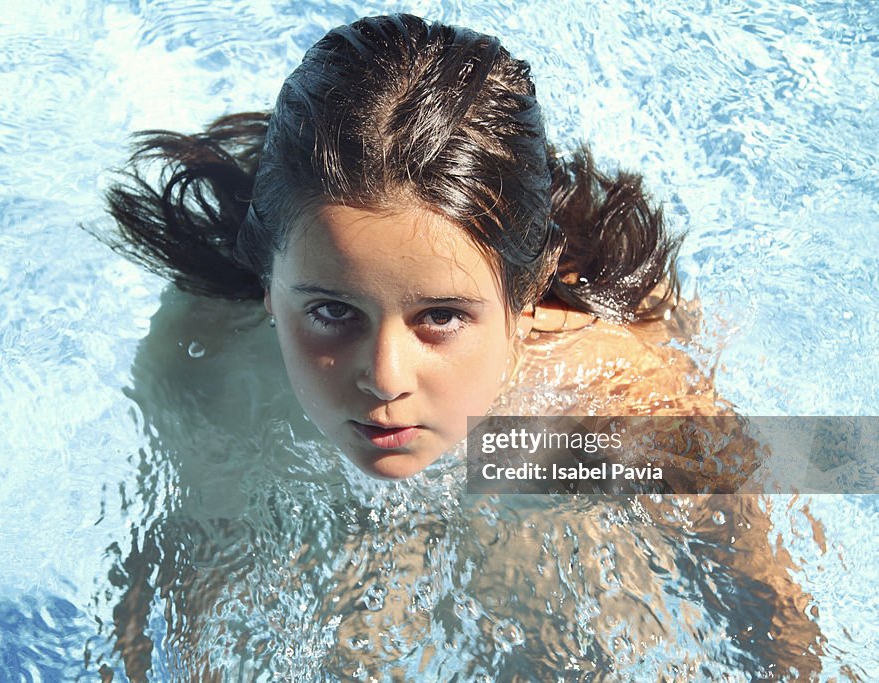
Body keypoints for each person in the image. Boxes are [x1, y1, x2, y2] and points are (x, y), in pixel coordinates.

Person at [92, 14, 823, 680]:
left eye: (439, 316)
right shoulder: (206, 359)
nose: (383, 376)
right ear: (266, 286)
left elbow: (774, 581)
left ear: (524, 300)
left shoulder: (609, 393)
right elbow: (176, 592)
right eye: (330, 311)